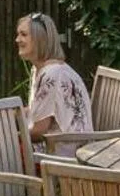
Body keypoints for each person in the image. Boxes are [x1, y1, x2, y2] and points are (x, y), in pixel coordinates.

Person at [19, 11, 91, 155]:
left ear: (41, 40)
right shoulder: (41, 69)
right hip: (60, 149)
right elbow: (41, 111)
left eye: (23, 35)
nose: (17, 39)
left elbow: (39, 131)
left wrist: (7, 136)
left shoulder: (52, 74)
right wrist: (10, 112)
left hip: (64, 158)